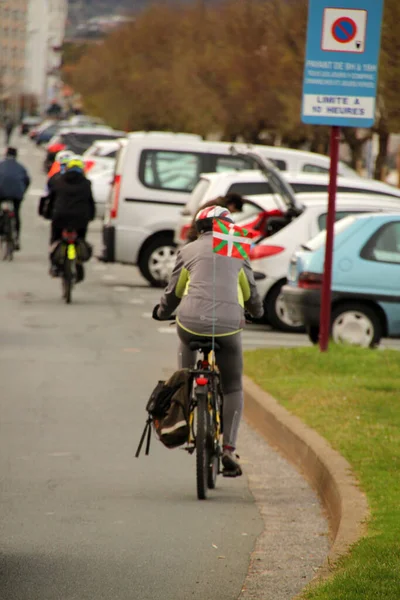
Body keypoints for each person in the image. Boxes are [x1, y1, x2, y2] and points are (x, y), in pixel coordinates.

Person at [152, 205, 263, 475]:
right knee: (233, 387)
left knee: (185, 369)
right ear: (227, 227)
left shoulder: (188, 250)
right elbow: (250, 294)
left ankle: (186, 396)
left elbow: (175, 292)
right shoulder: (236, 250)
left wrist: (161, 312)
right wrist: (257, 312)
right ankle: (228, 449)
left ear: (198, 228)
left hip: (189, 324)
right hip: (227, 327)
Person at [49, 157, 96, 280]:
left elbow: (52, 200)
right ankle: (79, 261)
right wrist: (91, 216)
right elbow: (91, 202)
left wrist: (49, 214)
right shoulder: (86, 184)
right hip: (80, 219)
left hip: (60, 218)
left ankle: (54, 265)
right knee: (80, 239)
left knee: (55, 239)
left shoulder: (58, 181)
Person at [0, 147, 30, 249]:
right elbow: (27, 181)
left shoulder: (1, 165)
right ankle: (16, 237)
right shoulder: (21, 167)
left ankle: (1, 231)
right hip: (17, 194)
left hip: (2, 193)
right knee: (16, 213)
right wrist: (22, 192)